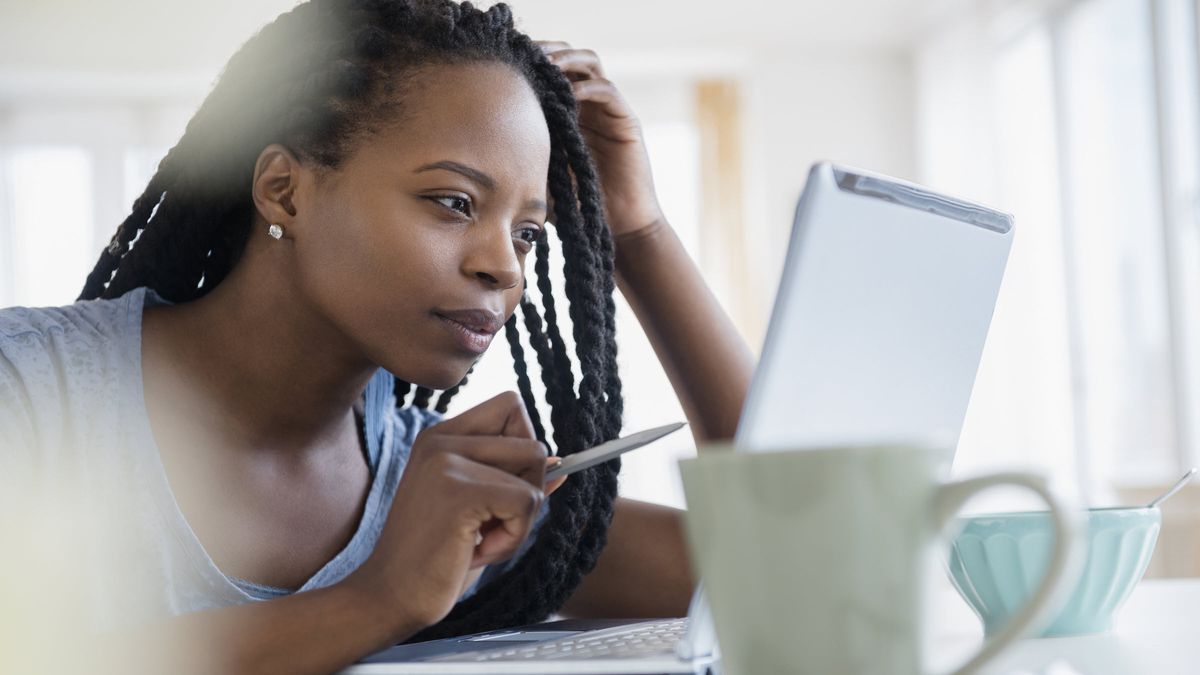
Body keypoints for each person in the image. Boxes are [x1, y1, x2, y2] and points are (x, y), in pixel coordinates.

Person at [0, 0, 753, 672]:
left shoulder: (440, 496)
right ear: (285, 190)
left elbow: (796, 566)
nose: (504, 268)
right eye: (454, 201)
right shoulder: (31, 391)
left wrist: (639, 230)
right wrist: (379, 597)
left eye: (527, 232)